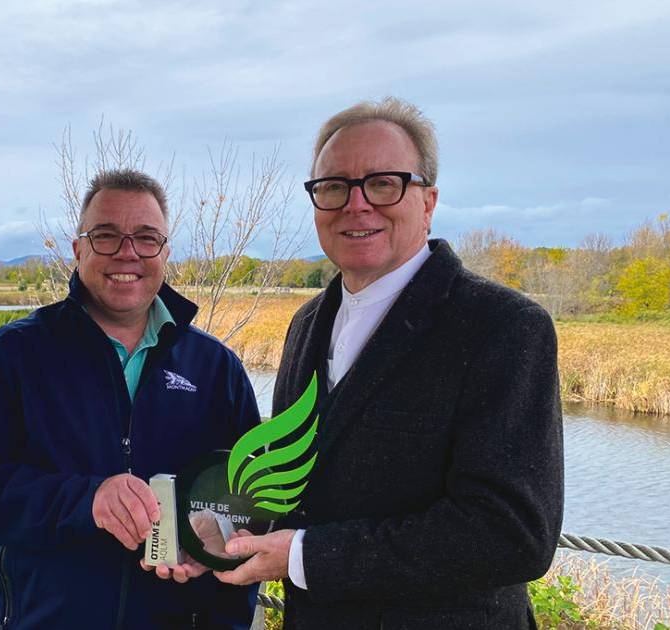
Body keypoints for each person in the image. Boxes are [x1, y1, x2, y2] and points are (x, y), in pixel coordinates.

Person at [214, 98, 564, 629]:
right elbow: (300, 484)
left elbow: (511, 533)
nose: (357, 204)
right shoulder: (306, 324)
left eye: (384, 183)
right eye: (334, 186)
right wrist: (214, 531)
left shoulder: (502, 327)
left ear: (428, 201)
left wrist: (306, 557)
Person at [0, 169, 259, 629]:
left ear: (165, 252)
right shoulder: (12, 356)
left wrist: (210, 544)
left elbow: (250, 496)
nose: (127, 253)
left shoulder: (216, 369)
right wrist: (85, 502)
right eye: (106, 236)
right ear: (78, 249)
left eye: (146, 238)